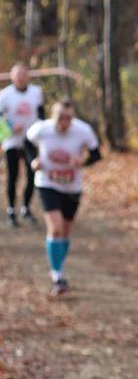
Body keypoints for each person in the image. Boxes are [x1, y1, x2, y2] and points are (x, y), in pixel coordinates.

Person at [25, 99, 101, 295]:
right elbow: (26, 142)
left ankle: (58, 265)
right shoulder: (42, 129)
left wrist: (82, 161)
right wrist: (33, 161)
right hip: (47, 183)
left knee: (66, 231)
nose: (64, 122)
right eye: (60, 117)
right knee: (56, 227)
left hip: (72, 186)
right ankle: (57, 275)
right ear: (53, 115)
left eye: (68, 118)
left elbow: (96, 154)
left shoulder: (83, 130)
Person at [0, 63, 45, 227]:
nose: (20, 78)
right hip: (12, 140)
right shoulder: (4, 95)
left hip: (30, 139)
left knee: (32, 173)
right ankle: (11, 210)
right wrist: (10, 127)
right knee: (13, 176)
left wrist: (40, 130)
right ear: (12, 77)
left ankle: (26, 207)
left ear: (28, 76)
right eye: (17, 75)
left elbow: (41, 114)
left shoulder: (36, 92)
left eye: (23, 74)